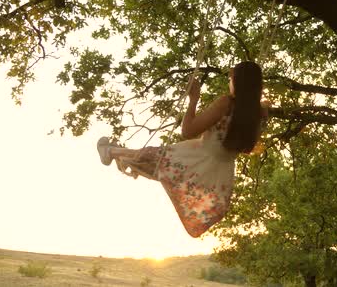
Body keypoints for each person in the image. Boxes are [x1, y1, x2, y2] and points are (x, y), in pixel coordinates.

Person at [96, 61, 268, 238]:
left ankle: (111, 152)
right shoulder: (261, 113)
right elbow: (248, 147)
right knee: (151, 159)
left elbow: (188, 131)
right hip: (220, 173)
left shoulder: (226, 103)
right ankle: (113, 152)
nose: (229, 82)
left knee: (151, 158)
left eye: (231, 79)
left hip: (198, 157)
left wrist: (193, 99)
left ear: (238, 82)